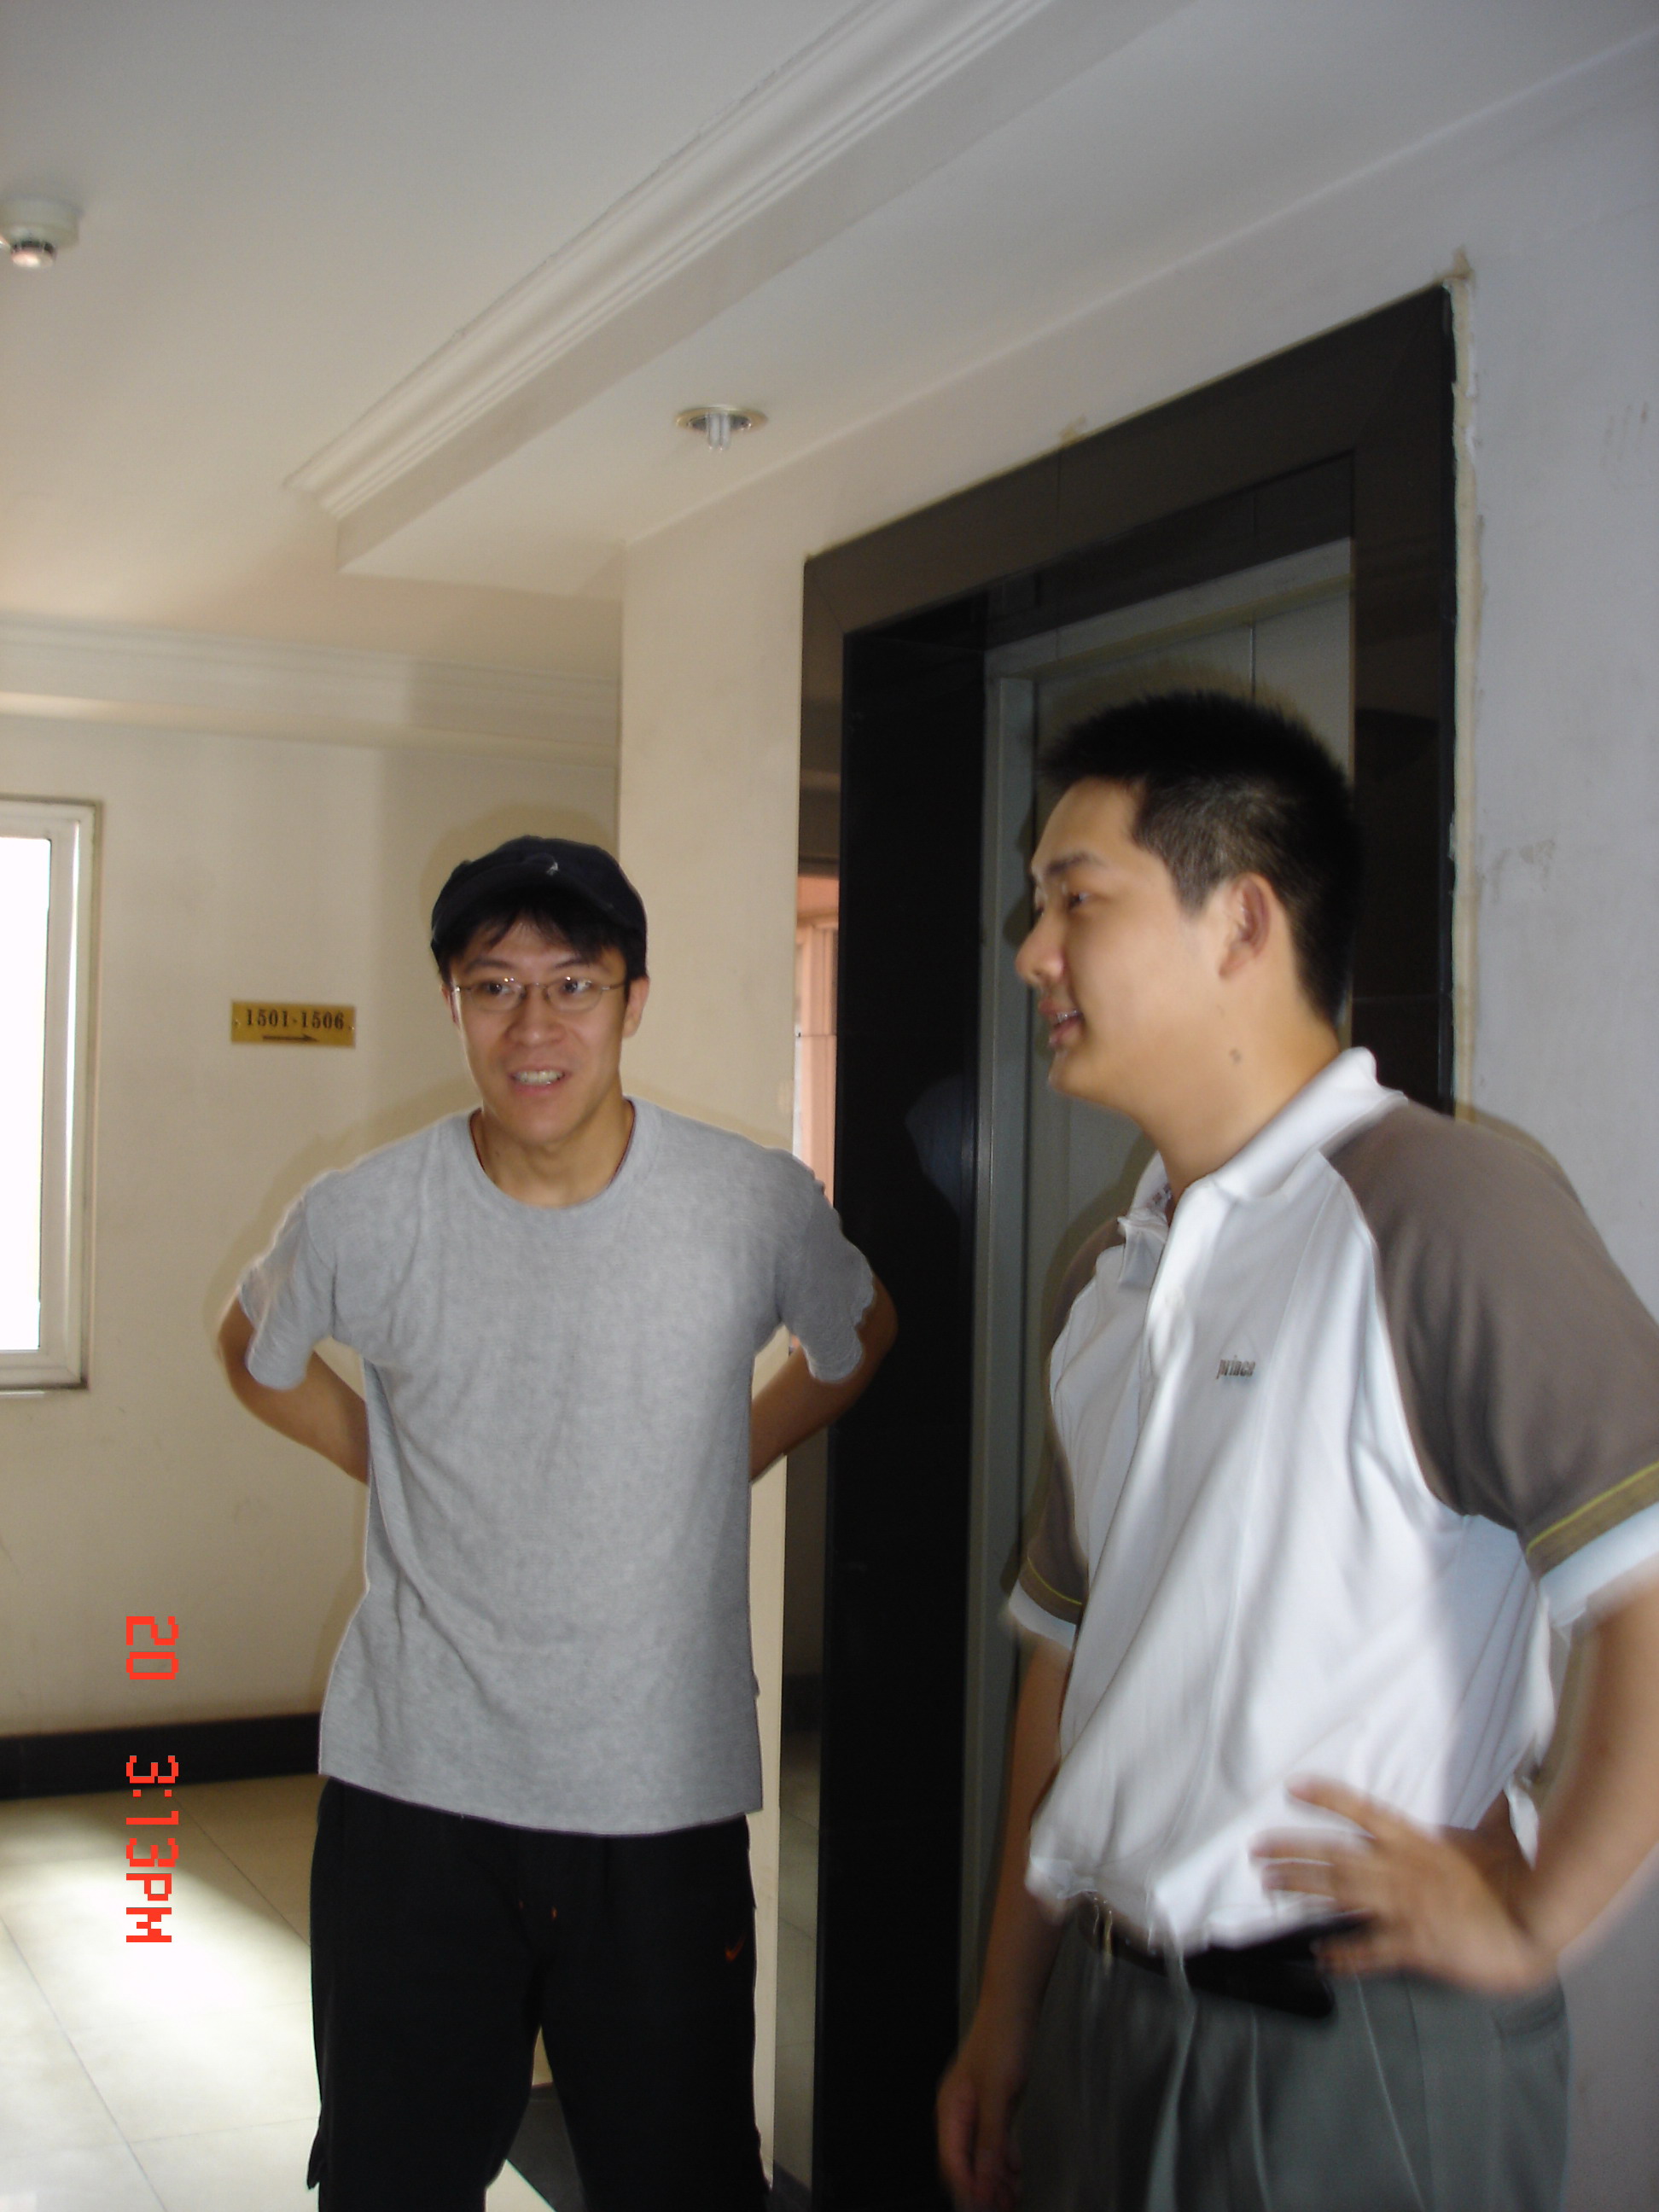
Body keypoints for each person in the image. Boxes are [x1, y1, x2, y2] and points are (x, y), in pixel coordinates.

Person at [936, 692, 1659, 2212]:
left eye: (1076, 899)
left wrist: (1542, 1913)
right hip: (1109, 2019)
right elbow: (1066, 1664)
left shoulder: (1444, 1212)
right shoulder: (1107, 1280)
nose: (1031, 953)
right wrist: (1009, 2006)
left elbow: (1642, 1577)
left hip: (1350, 2051)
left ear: (1243, 922)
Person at [218, 835, 895, 2212]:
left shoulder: (748, 1204)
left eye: (573, 985)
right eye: (495, 987)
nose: (534, 1028)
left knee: (678, 2180)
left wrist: (719, 1457)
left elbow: (858, 1335)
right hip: (415, 1793)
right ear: (454, 1003)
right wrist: (392, 1460)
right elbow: (253, 1350)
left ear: (633, 1000)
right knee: (393, 2183)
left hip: (658, 1798)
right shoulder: (366, 1214)